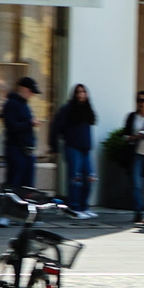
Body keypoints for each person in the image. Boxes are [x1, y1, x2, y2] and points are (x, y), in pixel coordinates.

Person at [51, 83, 97, 218]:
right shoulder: (67, 109)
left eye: (83, 92)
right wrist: (54, 146)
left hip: (86, 149)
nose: (81, 95)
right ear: (74, 94)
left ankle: (84, 206)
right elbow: (56, 128)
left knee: (90, 178)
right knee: (75, 179)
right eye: (78, 92)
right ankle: (74, 207)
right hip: (72, 148)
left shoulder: (87, 109)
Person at [0, 75, 39, 194]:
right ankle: (11, 209)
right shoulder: (11, 104)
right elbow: (11, 126)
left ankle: (22, 209)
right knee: (15, 183)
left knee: (27, 186)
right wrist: (29, 123)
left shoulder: (24, 105)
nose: (31, 94)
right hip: (16, 149)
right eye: (30, 91)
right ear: (22, 88)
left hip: (27, 150)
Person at [123, 90, 144, 219]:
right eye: (139, 100)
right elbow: (125, 136)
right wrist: (136, 136)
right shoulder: (132, 117)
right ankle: (138, 212)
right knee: (136, 185)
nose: (141, 103)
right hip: (136, 154)